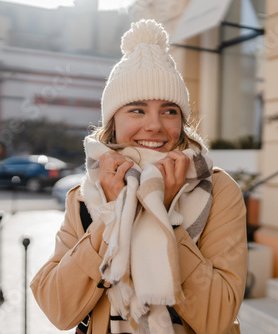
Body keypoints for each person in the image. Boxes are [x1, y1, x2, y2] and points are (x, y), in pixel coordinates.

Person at [31, 19, 247, 334]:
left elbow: (218, 317)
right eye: (137, 109)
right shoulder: (85, 195)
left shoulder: (217, 189)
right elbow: (58, 309)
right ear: (112, 121)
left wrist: (166, 214)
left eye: (169, 110)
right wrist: (112, 214)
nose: (155, 125)